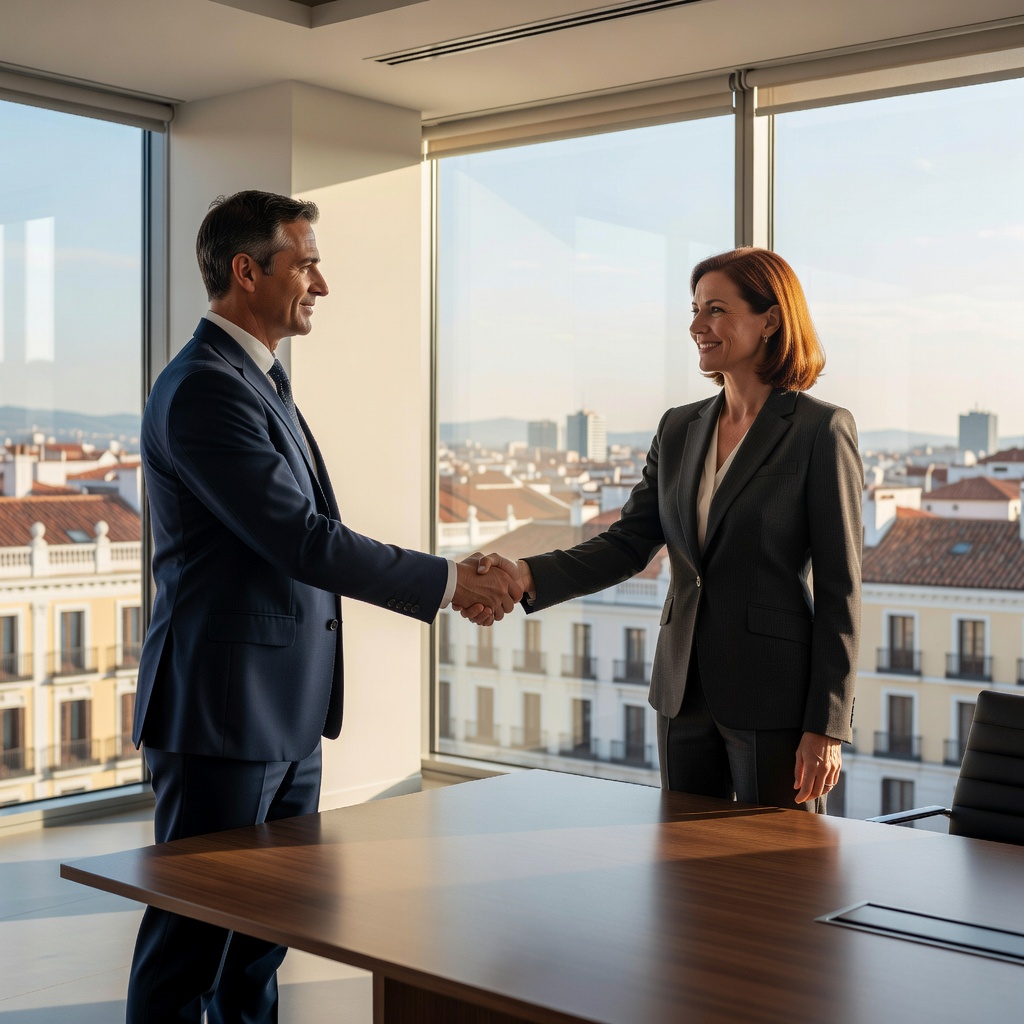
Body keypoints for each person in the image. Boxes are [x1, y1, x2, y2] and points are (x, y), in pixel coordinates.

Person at [126, 190, 521, 1024]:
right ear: (247, 270)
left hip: (283, 713)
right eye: (305, 262)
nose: (322, 283)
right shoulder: (204, 388)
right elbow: (301, 540)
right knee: (191, 947)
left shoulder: (253, 378)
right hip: (222, 715)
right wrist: (451, 583)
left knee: (258, 943)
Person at [467, 247, 862, 812]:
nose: (698, 326)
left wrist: (828, 725)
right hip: (681, 689)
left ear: (770, 319)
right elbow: (629, 542)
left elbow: (842, 588)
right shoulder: (679, 427)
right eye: (695, 310)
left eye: (717, 310)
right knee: (681, 873)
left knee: (779, 871)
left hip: (773, 695)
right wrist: (526, 573)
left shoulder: (820, 430)